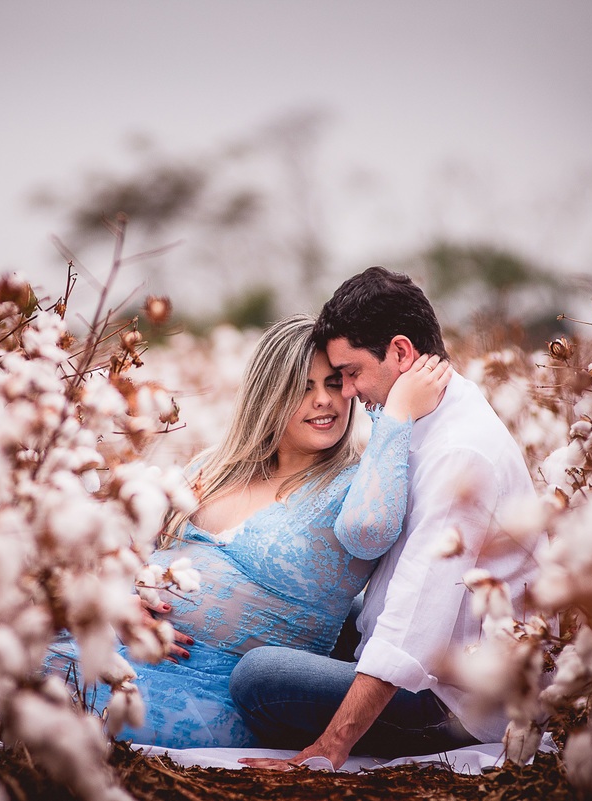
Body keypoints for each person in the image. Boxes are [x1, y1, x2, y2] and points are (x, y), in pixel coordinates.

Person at [48, 313, 450, 748]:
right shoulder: (213, 467)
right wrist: (117, 601)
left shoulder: (356, 484)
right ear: (268, 393)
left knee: (53, 712)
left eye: (334, 384)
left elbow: (373, 529)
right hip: (120, 646)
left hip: (214, 690)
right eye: (303, 387)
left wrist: (397, 416)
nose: (324, 401)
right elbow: (127, 552)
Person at [233, 267, 541, 769]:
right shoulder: (427, 416)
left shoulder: (459, 453)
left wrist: (329, 749)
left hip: (456, 703)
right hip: (427, 662)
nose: (347, 392)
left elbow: (413, 620)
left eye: (351, 372)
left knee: (259, 677)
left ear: (400, 352)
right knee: (302, 614)